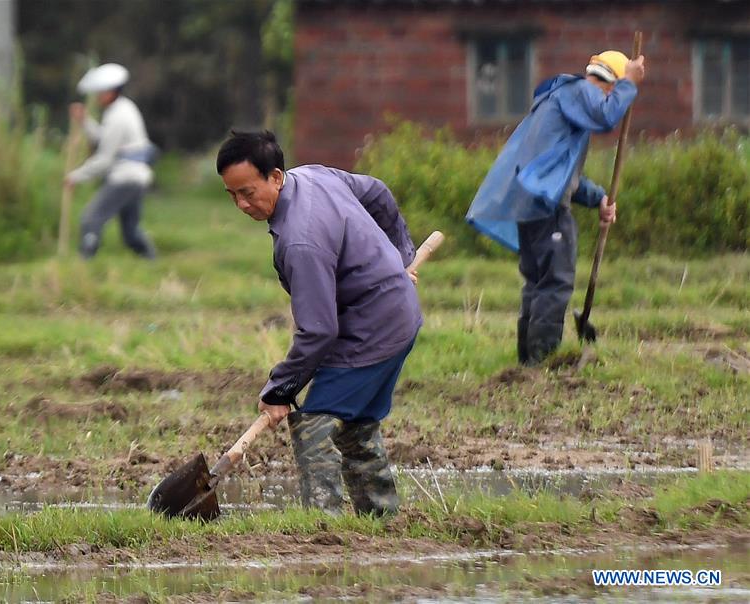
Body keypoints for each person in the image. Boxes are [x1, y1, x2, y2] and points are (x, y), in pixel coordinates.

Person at [216, 131, 421, 516]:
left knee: (312, 426)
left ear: (276, 176)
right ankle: (381, 519)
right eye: (232, 195)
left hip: (372, 329)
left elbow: (318, 331)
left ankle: (323, 529)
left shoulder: (300, 241)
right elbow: (376, 191)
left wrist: (280, 389)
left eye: (247, 192)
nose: (241, 204)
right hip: (394, 315)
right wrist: (400, 256)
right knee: (357, 425)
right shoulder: (313, 176)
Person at [466, 51, 646, 365]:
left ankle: (527, 363)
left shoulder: (559, 102)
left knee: (537, 282)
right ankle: (543, 362)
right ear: (607, 85)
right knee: (555, 282)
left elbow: (560, 171)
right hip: (546, 209)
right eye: (613, 91)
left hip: (532, 204)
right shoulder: (578, 92)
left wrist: (598, 197)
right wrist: (630, 83)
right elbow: (607, 116)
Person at [65, 63, 156, 259]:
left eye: (100, 92)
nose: (97, 97)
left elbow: (105, 159)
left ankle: (84, 262)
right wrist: (84, 121)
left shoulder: (117, 116)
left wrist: (75, 176)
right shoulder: (124, 108)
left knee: (91, 219)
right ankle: (152, 261)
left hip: (125, 177)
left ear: (110, 93)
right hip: (138, 177)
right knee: (130, 233)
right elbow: (103, 139)